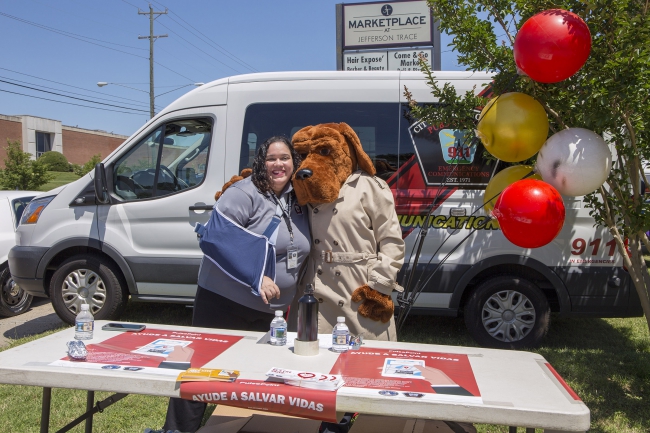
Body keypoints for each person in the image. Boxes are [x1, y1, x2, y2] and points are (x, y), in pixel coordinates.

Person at [162, 136, 311, 433]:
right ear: (261, 162)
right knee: (202, 374)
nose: (278, 164)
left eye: (285, 158)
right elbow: (214, 239)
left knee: (257, 377)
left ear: (294, 162)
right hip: (224, 303)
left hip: (273, 313)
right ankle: (176, 430)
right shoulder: (244, 193)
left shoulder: (299, 197)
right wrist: (256, 276)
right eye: (271, 158)